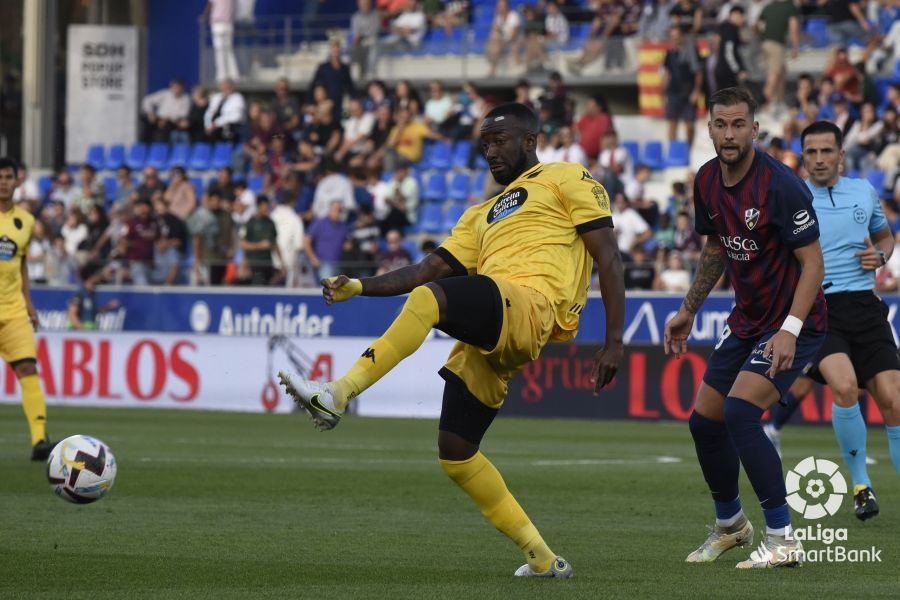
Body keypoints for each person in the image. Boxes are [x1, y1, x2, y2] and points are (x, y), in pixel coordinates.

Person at [277, 103, 625, 578]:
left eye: (500, 141)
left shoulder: (566, 177)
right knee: (457, 454)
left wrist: (613, 342)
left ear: (530, 141)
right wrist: (360, 286)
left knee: (429, 301)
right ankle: (543, 558)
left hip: (532, 306)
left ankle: (338, 393)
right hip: (495, 325)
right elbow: (429, 268)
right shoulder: (480, 214)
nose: (491, 152)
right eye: (485, 144)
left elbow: (608, 257)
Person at [663, 87, 827, 568]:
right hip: (747, 319)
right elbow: (716, 247)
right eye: (721, 124)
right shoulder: (705, 180)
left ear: (755, 128)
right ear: (709, 128)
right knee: (704, 422)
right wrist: (689, 308)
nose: (729, 134)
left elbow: (813, 265)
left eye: (739, 124)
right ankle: (731, 525)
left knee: (739, 413)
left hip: (795, 322)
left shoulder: (781, 185)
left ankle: (782, 540)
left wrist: (790, 330)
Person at [790, 120, 900, 520]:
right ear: (803, 157)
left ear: (841, 155)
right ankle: (861, 486)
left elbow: (884, 237)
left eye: (827, 151)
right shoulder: (793, 198)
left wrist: (881, 255)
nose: (819, 159)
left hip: (866, 308)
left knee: (894, 402)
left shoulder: (863, 191)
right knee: (845, 386)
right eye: (811, 152)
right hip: (821, 309)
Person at [0, 157, 54, 460]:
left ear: (16, 181)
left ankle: (39, 441)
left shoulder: (26, 221)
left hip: (13, 310)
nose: (3, 182)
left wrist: (29, 303)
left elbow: (20, 264)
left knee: (27, 369)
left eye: (8, 176)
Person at [662, 23, 703, 148]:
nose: (674, 39)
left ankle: (688, 150)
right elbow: (666, 74)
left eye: (677, 36)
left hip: (688, 93)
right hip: (673, 93)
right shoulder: (669, 53)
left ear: (682, 36)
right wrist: (663, 93)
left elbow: (698, 73)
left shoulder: (691, 51)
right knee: (672, 124)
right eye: (672, 37)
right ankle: (673, 150)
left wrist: (696, 91)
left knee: (690, 125)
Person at [67, 261, 120, 330]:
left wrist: (108, 307)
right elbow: (72, 314)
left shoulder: (91, 294)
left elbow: (92, 311)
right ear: (91, 276)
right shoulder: (80, 293)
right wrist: (81, 330)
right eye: (97, 274)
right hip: (81, 333)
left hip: (91, 332)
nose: (99, 277)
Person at [241, 195, 281, 285]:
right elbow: (243, 244)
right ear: (258, 207)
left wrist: (281, 262)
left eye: (267, 206)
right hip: (255, 263)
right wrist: (260, 246)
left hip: (268, 263)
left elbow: (274, 243)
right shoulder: (250, 223)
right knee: (258, 286)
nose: (266, 209)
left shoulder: (270, 223)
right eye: (264, 207)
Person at [203, 0, 240, 81]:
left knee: (219, 50)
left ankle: (222, 76)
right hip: (228, 24)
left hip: (218, 24)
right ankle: (234, 75)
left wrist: (204, 16)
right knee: (228, 50)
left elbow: (210, 5)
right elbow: (235, 8)